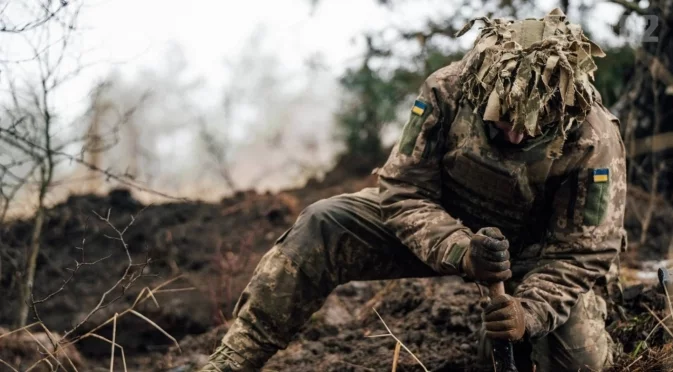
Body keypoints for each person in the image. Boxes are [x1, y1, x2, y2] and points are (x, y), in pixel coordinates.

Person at [198, 8, 626, 372]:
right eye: (502, 123)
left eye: (529, 129)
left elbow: (580, 253)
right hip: (443, 221)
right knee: (324, 223)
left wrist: (527, 314)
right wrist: (461, 249)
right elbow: (402, 189)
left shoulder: (591, 138)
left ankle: (507, 340)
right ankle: (232, 360)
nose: (514, 137)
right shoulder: (448, 91)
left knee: (579, 361)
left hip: (537, 257)